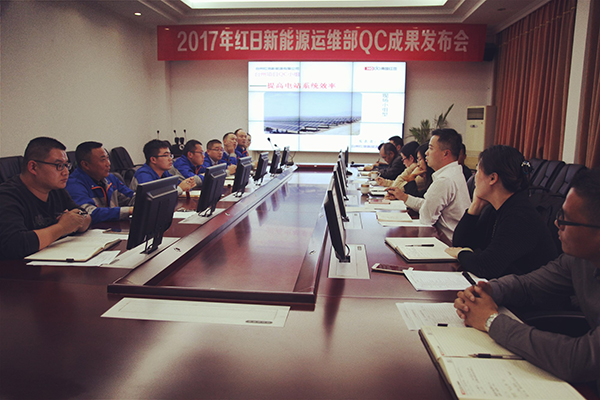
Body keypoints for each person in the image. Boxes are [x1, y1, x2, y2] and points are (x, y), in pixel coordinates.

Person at [454, 169, 600, 388]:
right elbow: (528, 284)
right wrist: (487, 290)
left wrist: (491, 321)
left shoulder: (520, 215)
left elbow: (578, 360)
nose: (557, 224)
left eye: (566, 219)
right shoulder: (578, 260)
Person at [445, 145, 557, 279]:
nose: (475, 176)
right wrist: (475, 207)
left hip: (530, 290)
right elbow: (461, 243)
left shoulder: (520, 216)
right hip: (506, 284)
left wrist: (460, 254)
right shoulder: (494, 208)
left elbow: (486, 267)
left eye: (478, 170)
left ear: (493, 178)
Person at [0, 137, 91, 260]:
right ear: (33, 167)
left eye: (66, 165)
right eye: (59, 165)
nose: (66, 172)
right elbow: (15, 244)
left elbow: (86, 216)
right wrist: (62, 227)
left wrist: (77, 219)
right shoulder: (7, 196)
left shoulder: (56, 190)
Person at [386, 129, 471, 241]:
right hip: (446, 238)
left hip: (445, 242)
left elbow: (426, 219)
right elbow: (428, 205)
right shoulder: (454, 172)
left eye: (431, 148)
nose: (426, 153)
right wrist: (404, 197)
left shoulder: (444, 180)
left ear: (445, 153)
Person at [66, 141, 134, 224]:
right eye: (103, 160)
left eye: (108, 158)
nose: (108, 163)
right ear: (85, 165)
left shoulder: (110, 178)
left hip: (112, 227)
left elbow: (130, 197)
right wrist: (128, 210)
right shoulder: (73, 184)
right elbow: (88, 213)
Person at [131, 139, 195, 195]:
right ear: (153, 159)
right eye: (166, 155)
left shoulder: (164, 173)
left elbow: (177, 183)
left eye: (170, 155)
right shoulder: (143, 174)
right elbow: (153, 197)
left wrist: (188, 184)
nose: (170, 159)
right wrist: (180, 188)